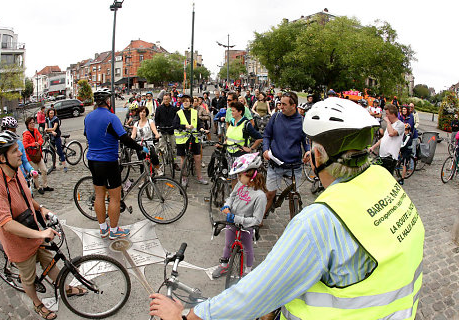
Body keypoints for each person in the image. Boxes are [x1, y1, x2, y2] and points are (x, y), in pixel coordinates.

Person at [149, 97, 424, 320]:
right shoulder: (387, 183)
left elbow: (258, 292)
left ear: (316, 156)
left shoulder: (321, 221)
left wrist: (189, 316)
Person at [0, 131, 85, 320]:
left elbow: (27, 198)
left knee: (50, 262)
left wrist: (42, 208)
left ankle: (65, 288)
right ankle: (37, 303)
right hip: (17, 241)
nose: (20, 153)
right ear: (2, 157)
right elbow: (6, 223)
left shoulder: (17, 172)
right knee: (28, 278)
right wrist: (41, 235)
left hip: (32, 229)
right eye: (15, 151)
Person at [84, 88, 148, 240]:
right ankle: (114, 230)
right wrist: (140, 147)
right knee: (114, 197)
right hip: (108, 161)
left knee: (99, 195)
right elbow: (124, 138)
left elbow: (87, 135)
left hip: (93, 160)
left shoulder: (88, 117)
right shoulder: (111, 118)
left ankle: (103, 229)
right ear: (108, 101)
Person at [212, 153, 266, 278]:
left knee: (248, 249)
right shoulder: (240, 184)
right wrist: (227, 205)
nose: (238, 177)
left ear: (250, 176)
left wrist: (236, 218)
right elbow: (232, 197)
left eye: (240, 175)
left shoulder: (260, 196)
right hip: (232, 223)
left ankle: (248, 271)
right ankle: (224, 265)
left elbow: (257, 220)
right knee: (228, 244)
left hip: (246, 227)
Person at [262, 92, 309, 217]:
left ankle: (293, 221)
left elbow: (306, 141)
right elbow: (267, 135)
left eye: (284, 104)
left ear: (293, 105)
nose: (280, 107)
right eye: (280, 104)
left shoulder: (302, 121)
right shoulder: (276, 117)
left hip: (295, 166)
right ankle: (260, 216)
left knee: (294, 196)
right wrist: (265, 149)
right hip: (275, 164)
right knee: (270, 194)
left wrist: (308, 151)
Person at [225, 102, 263, 188]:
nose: (231, 113)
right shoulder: (232, 122)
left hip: (240, 156)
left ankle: (243, 196)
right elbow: (229, 136)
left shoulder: (246, 124)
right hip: (230, 153)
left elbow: (259, 138)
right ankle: (235, 196)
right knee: (233, 178)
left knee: (242, 178)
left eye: (233, 111)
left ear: (240, 112)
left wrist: (251, 148)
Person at [173, 95, 208, 186]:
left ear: (191, 102)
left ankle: (199, 177)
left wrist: (201, 129)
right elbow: (175, 125)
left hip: (193, 138)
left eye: (187, 101)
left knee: (197, 157)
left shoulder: (194, 112)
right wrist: (185, 126)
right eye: (184, 101)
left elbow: (199, 123)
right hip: (182, 139)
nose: (185, 102)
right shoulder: (179, 113)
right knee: (183, 158)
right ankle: (184, 177)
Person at [369, 104, 405, 174]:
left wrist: (388, 122)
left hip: (390, 158)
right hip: (383, 156)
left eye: (387, 114)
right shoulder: (390, 125)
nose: (386, 116)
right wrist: (373, 147)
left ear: (393, 114)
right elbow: (384, 138)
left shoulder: (400, 125)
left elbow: (391, 133)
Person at [22, 117, 53, 195]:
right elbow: (24, 145)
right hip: (31, 156)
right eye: (30, 123)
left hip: (38, 155)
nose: (32, 124)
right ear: (27, 125)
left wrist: (38, 143)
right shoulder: (26, 134)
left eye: (33, 122)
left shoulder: (36, 131)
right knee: (35, 173)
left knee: (44, 170)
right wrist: (33, 144)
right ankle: (38, 187)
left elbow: (41, 139)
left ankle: (45, 185)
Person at [131, 106, 163, 175]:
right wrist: (129, 140)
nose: (142, 113)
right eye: (140, 112)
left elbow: (154, 130)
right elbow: (133, 135)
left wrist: (157, 134)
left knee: (153, 155)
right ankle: (143, 178)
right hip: (140, 144)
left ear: (146, 113)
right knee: (141, 161)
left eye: (144, 112)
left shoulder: (150, 121)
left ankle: (157, 168)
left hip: (148, 142)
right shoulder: (136, 124)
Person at [155, 93, 180, 171]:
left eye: (167, 99)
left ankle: (174, 161)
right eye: (164, 99)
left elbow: (176, 118)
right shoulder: (159, 108)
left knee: (174, 148)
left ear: (170, 100)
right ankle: (161, 163)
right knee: (161, 148)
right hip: (162, 129)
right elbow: (156, 119)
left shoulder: (173, 108)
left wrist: (175, 125)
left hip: (171, 129)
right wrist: (158, 126)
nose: (165, 100)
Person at [44, 108, 67, 172]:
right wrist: (51, 131)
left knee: (59, 151)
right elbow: (45, 128)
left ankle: (65, 166)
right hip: (51, 136)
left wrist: (48, 130)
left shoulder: (56, 119)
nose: (52, 114)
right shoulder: (47, 119)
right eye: (50, 113)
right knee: (52, 152)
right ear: (48, 113)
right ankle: (53, 166)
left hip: (57, 136)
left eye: (53, 113)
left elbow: (54, 128)